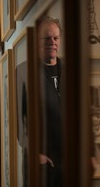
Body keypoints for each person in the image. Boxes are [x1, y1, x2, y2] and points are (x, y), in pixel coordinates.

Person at [37, 16, 63, 187]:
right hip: (44, 159)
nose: (52, 42)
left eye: (55, 38)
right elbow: (18, 118)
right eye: (47, 38)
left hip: (72, 159)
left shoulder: (72, 70)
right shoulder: (24, 71)